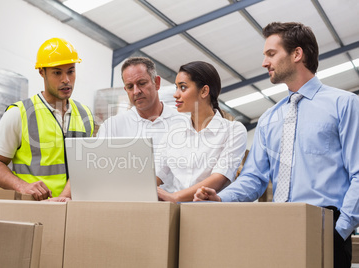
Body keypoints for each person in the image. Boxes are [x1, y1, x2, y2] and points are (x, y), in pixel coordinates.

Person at [194, 22, 359, 268]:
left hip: (325, 227)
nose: (264, 62)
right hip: (277, 228)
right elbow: (254, 178)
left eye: (271, 54)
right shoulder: (269, 118)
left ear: (297, 54)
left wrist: (339, 231)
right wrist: (221, 199)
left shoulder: (345, 105)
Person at [0, 37, 94, 201]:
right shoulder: (19, 114)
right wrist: (23, 186)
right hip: (33, 209)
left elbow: (86, 164)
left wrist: (64, 199)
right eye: (57, 72)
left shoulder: (85, 114)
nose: (66, 80)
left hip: (72, 210)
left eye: (71, 71)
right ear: (42, 72)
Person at [155, 61, 247, 202]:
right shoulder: (173, 133)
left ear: (204, 91)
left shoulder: (233, 131)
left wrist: (174, 197)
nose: (176, 94)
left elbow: (219, 178)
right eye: (176, 88)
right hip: (176, 213)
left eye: (183, 87)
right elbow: (157, 174)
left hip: (210, 213)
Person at [97, 57, 183, 147]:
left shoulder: (183, 124)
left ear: (157, 83)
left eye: (142, 83)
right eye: (130, 87)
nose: (136, 91)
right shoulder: (111, 128)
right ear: (126, 90)